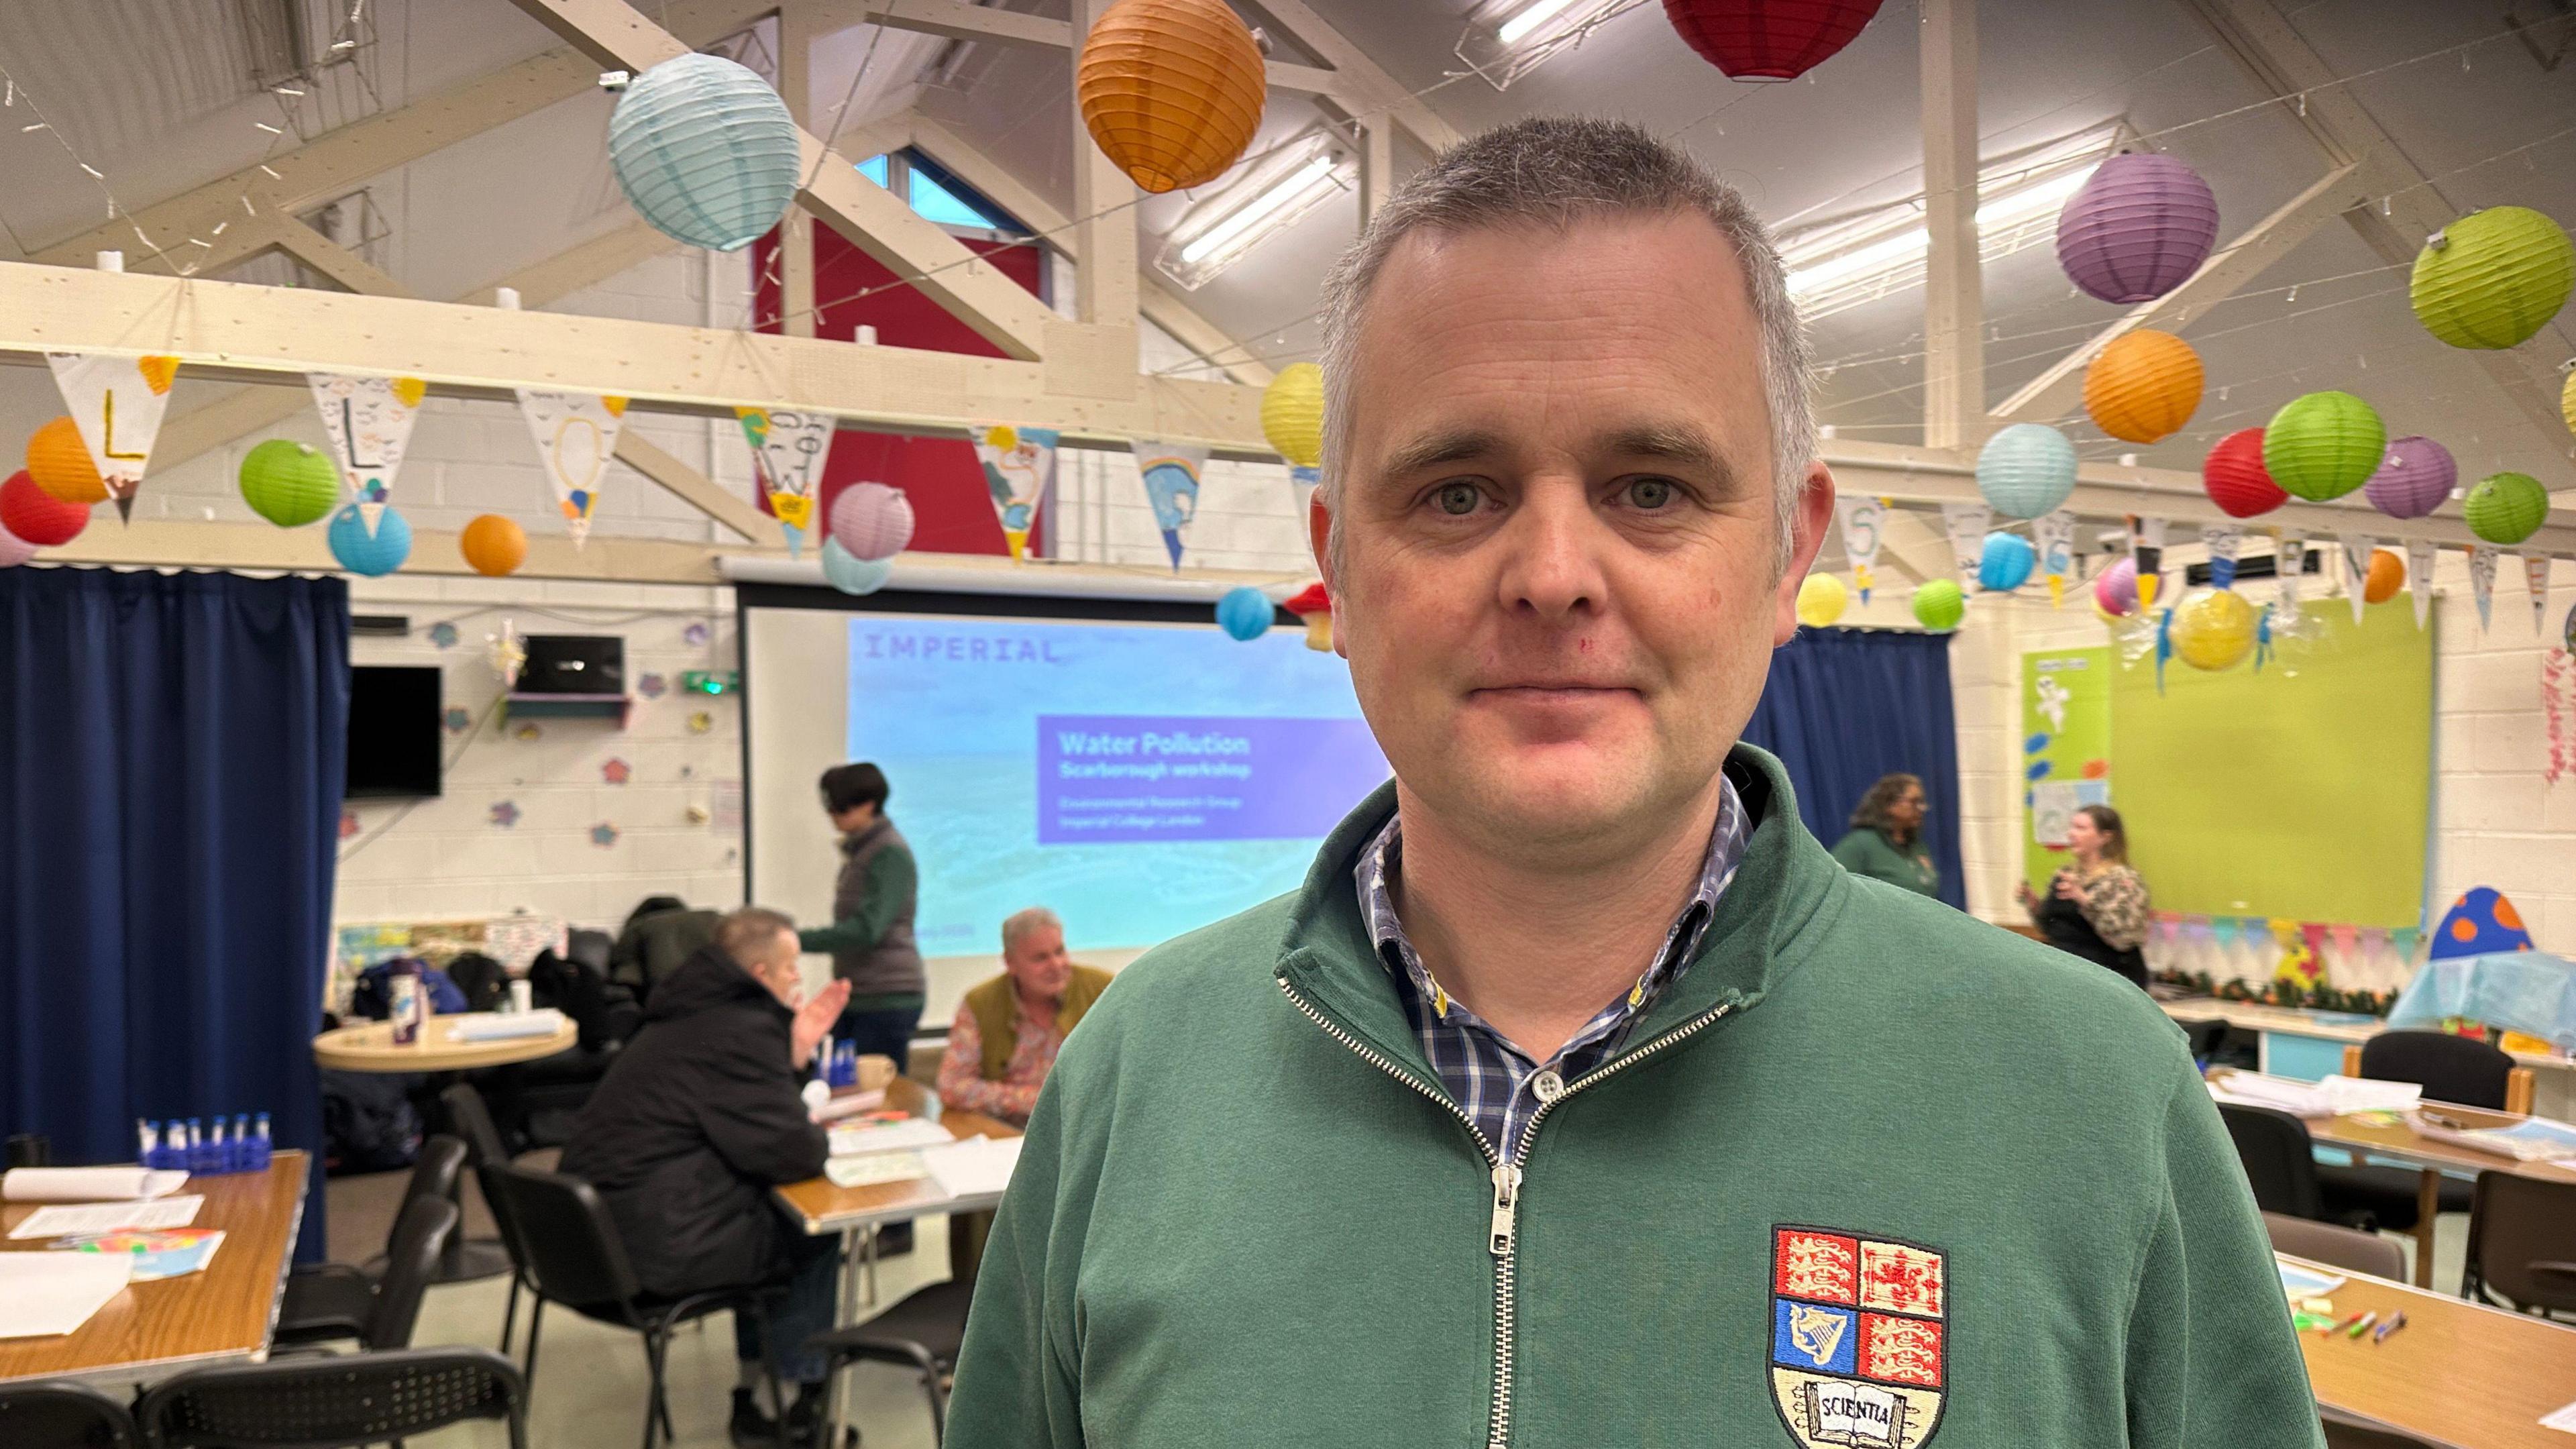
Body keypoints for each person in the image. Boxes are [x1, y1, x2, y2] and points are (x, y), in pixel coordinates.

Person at [946, 117, 2318, 1448]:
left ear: (1790, 553)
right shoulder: (1132, 1078)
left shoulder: (2094, 1096)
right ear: (1342, 571)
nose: (1553, 575)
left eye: (1652, 488)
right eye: (1458, 493)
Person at [560, 908, 851, 1446]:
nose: (798, 979)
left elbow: (744, 1122)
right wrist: (808, 1117)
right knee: (810, 1229)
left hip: (588, 1239)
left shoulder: (689, 1015)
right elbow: (793, 1153)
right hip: (649, 1245)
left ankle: (758, 1386)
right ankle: (783, 1406)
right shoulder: (741, 1029)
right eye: (791, 967)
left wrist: (796, 1053)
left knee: (766, 1213)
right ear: (761, 974)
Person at [936, 907, 1112, 1128]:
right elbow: (952, 1086)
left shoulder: (1102, 989)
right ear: (1010, 962)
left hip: (1088, 1128)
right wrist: (1034, 1100)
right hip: (1008, 1133)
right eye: (1041, 958)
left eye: (1060, 952)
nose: (1057, 966)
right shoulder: (980, 1002)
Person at [797, 763, 925, 1062]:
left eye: (840, 808)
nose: (832, 816)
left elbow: (868, 929)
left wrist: (794, 940)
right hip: (859, 994)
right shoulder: (863, 850)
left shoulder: (888, 852)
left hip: (887, 997)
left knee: (876, 1097)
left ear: (869, 805)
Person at [2018, 803, 2153, 988]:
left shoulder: (2123, 880)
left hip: (2110, 978)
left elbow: (2124, 938)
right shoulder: (2065, 874)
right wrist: (2034, 905)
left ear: (2105, 837)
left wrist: (2084, 900)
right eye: (2072, 827)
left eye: (2081, 828)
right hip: (2066, 973)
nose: (2071, 834)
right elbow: (2053, 929)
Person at [1829, 772, 1940, 897]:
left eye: (1922, 802)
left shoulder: (1917, 845)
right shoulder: (1859, 845)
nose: (1921, 808)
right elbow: (1833, 890)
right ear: (1889, 805)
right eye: (1914, 802)